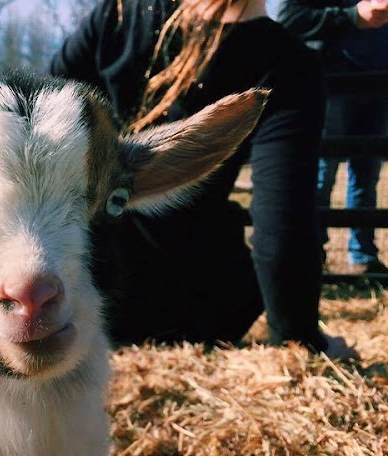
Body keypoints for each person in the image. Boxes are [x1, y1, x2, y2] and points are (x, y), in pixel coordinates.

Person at [51, 0, 356, 358]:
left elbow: (42, 116)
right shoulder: (287, 60)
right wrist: (300, 339)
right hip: (199, 306)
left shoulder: (119, 14)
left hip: (81, 295)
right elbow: (282, 221)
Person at [272, 0, 388, 274]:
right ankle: (312, 256)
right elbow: (289, 17)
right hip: (331, 82)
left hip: (378, 80)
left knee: (367, 174)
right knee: (322, 173)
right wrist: (351, 16)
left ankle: (363, 256)